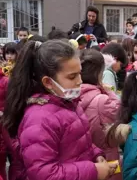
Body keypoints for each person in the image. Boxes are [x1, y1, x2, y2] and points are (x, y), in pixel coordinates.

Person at [2, 40, 116, 180]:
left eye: (79, 73)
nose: (80, 80)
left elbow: (78, 142)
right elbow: (44, 174)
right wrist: (93, 171)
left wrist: (95, 154)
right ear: (48, 82)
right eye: (72, 76)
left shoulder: (69, 103)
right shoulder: (39, 119)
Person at [79, 49, 128, 180]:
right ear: (100, 73)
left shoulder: (73, 95)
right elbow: (120, 110)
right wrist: (107, 91)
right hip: (105, 157)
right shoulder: (101, 100)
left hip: (82, 159)